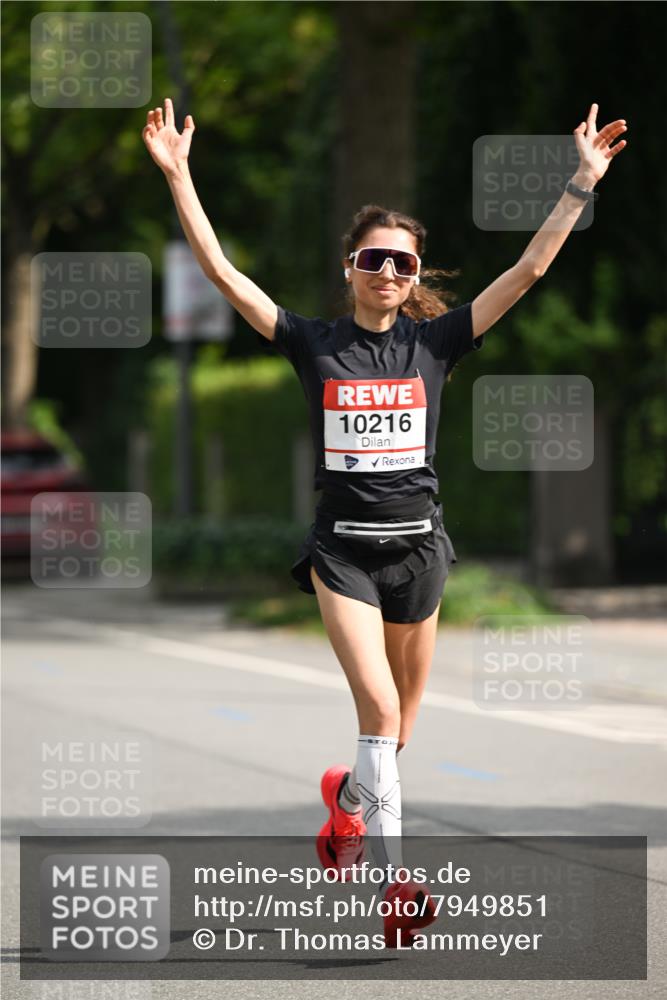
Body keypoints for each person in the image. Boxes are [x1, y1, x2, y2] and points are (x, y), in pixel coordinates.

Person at [143, 99, 627, 946]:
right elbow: (223, 272)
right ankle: (396, 884)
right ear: (349, 267)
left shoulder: (434, 345)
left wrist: (578, 186)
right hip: (344, 558)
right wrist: (181, 175)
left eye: (402, 263)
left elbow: (528, 272)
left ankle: (348, 808)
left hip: (421, 554)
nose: (388, 272)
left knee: (397, 729)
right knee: (374, 708)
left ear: (412, 275)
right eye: (373, 258)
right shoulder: (310, 342)